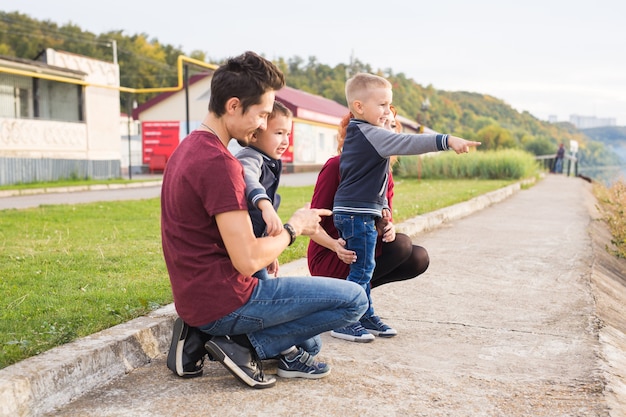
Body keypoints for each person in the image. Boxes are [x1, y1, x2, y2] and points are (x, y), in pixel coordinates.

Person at [161, 51, 368, 389]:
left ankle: (199, 336)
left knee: (310, 343)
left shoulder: (187, 148)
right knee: (355, 300)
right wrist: (294, 228)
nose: (262, 124)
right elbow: (247, 260)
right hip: (226, 302)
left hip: (196, 300)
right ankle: (241, 346)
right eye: (260, 114)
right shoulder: (220, 164)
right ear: (233, 106)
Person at [329, 72, 481, 342]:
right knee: (362, 270)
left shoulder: (365, 135)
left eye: (390, 105)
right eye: (383, 105)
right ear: (359, 107)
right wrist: (447, 140)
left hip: (362, 212)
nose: (388, 112)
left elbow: (374, 179)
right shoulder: (366, 131)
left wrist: (384, 208)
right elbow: (407, 142)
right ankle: (344, 319)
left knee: (366, 266)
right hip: (356, 214)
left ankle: (364, 314)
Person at [307, 107, 430, 342]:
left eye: (393, 127)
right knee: (402, 246)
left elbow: (381, 219)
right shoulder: (336, 166)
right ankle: (345, 313)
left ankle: (360, 308)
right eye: (381, 125)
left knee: (417, 257)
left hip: (360, 250)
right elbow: (313, 224)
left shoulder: (385, 176)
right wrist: (335, 246)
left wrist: (387, 227)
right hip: (333, 254)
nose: (389, 132)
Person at [236, 101, 292, 279]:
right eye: (278, 133)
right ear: (254, 136)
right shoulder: (250, 156)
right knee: (257, 290)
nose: (285, 141)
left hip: (256, 242)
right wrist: (264, 204)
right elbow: (247, 177)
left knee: (260, 285)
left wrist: (269, 250)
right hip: (241, 245)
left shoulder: (271, 161)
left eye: (288, 134)